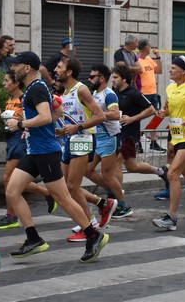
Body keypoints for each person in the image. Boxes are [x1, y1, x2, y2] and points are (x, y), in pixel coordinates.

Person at [5, 51, 109, 263]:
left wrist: (22, 124)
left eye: (16, 65)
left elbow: (45, 116)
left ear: (27, 68)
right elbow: (58, 112)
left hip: (45, 152)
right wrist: (38, 125)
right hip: (35, 150)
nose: (12, 69)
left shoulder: (36, 89)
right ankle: (33, 238)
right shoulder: (38, 88)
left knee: (63, 197)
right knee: (12, 190)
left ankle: (93, 234)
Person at [55, 57, 116, 241]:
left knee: (73, 186)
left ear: (69, 71)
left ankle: (90, 225)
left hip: (83, 139)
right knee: (65, 188)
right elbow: (71, 119)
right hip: (69, 140)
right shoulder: (64, 93)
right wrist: (62, 130)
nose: (56, 70)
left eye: (59, 67)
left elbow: (100, 116)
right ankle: (102, 204)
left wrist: (78, 128)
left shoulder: (80, 89)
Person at [0, 70, 55, 230]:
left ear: (16, 82)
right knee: (12, 180)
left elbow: (36, 118)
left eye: (6, 81)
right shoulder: (10, 100)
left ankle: (11, 216)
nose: (4, 84)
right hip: (12, 140)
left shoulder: (24, 99)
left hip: (21, 140)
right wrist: (0, 117)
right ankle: (47, 194)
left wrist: (22, 123)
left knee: (7, 178)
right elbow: (10, 123)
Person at [152, 56, 185, 231]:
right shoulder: (170, 87)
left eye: (173, 68)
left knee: (172, 174)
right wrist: (163, 112)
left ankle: (171, 217)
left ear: (183, 71)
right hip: (176, 136)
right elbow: (168, 107)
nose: (170, 70)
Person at [110, 65, 169, 200]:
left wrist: (132, 119)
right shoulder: (114, 92)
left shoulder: (134, 93)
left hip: (130, 135)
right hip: (117, 133)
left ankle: (117, 198)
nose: (112, 80)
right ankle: (161, 171)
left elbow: (151, 109)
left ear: (124, 79)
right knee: (132, 167)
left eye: (115, 77)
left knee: (115, 165)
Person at [86, 64, 133, 219]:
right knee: (88, 170)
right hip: (97, 138)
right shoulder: (94, 93)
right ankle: (114, 191)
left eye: (92, 76)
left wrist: (99, 114)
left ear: (101, 78)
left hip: (109, 138)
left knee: (107, 174)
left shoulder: (109, 94)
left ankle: (123, 205)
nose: (89, 79)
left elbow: (115, 114)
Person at [137, 39, 166, 153]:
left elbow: (159, 71)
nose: (151, 47)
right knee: (140, 118)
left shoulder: (149, 59)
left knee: (155, 117)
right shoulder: (137, 60)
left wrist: (158, 57)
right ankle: (137, 143)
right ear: (145, 48)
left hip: (153, 93)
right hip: (143, 94)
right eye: (149, 46)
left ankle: (153, 143)